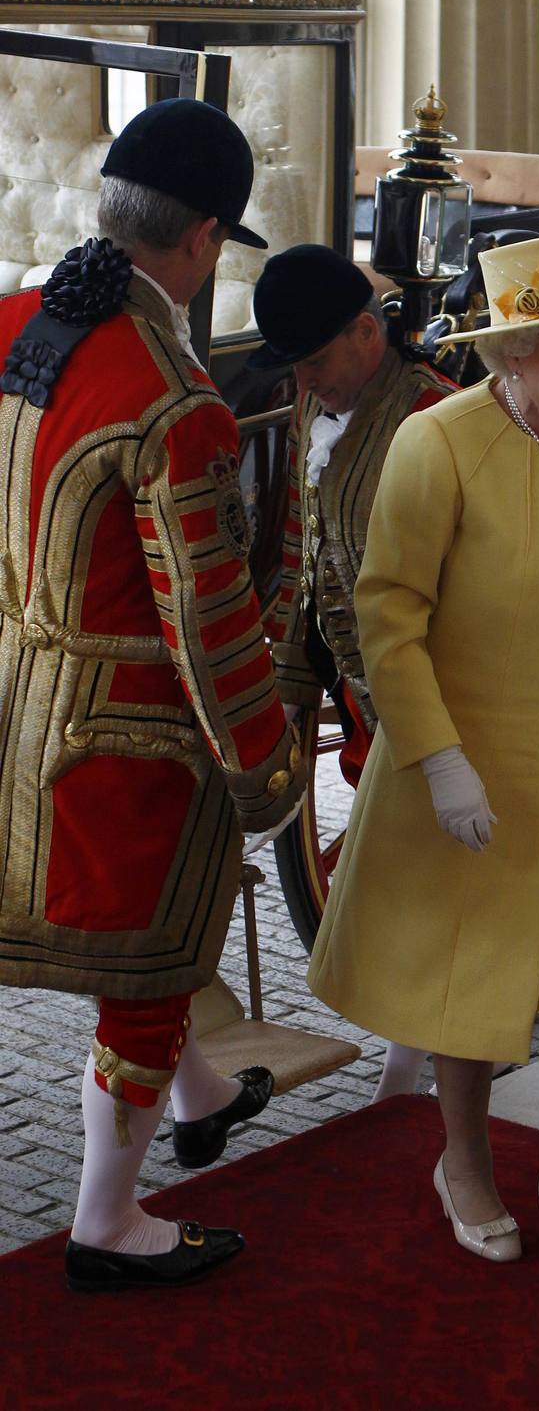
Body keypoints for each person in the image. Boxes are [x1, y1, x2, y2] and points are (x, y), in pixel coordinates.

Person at [308, 230, 539, 1271]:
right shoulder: (438, 446)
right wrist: (436, 759)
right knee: (470, 978)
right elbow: (387, 614)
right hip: (473, 766)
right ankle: (462, 1160)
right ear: (508, 354)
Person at [0, 98, 306, 1291]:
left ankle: (203, 1094)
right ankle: (108, 1222)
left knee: (158, 958)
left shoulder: (18, 319)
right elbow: (209, 620)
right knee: (149, 969)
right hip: (120, 742)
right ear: (203, 238)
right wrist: (265, 761)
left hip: (12, 697)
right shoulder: (174, 404)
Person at [251, 246, 459, 1103]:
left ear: (367, 334)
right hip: (361, 692)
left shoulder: (441, 418)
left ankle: (418, 1057)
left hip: (438, 694)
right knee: (410, 878)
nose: (303, 383)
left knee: (428, 875)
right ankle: (416, 1050)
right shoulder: (315, 405)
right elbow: (304, 552)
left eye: (314, 362)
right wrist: (289, 685)